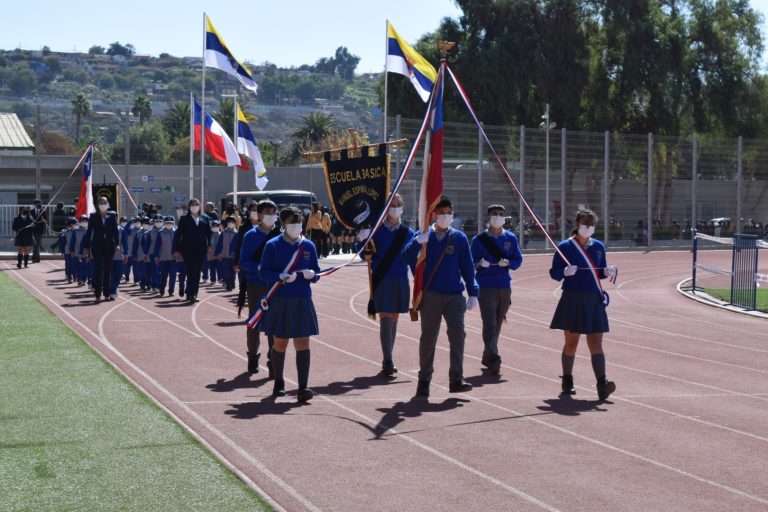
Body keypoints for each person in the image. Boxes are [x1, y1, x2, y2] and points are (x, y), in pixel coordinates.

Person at [403, 196, 478, 397]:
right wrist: (418, 242)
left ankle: (456, 378)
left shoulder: (459, 238)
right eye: (442, 212)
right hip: (431, 296)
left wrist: (473, 292)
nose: (446, 216)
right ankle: (424, 380)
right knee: (428, 338)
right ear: (434, 214)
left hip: (454, 296)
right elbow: (406, 257)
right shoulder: (423, 235)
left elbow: (467, 267)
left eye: (449, 213)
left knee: (458, 336)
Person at [549, 208, 618, 401]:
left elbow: (600, 272)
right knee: (571, 343)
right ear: (577, 224)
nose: (588, 227)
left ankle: (602, 383)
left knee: (596, 343)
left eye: (592, 224)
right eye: (585, 223)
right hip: (573, 298)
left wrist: (608, 271)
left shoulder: (598, 246)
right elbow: (554, 273)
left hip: (594, 299)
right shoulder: (565, 246)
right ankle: (567, 381)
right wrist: (565, 272)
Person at [259, 206, 321, 402]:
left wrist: (313, 275)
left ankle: (303, 387)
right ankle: (279, 382)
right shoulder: (272, 245)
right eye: (292, 223)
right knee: (280, 342)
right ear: (283, 224)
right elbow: (263, 272)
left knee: (303, 342)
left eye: (299, 223)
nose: (296, 226)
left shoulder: (308, 246)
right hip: (281, 299)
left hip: (302, 298)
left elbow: (317, 271)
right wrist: (279, 276)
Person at [355, 193, 414, 376]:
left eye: (398, 204)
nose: (395, 208)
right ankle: (387, 359)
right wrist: (361, 240)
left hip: (400, 279)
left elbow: (413, 259)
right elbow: (364, 255)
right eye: (392, 205)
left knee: (394, 318)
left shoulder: (408, 232)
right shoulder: (376, 229)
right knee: (386, 318)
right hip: (382, 278)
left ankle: (389, 356)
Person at [470, 204, 523, 374]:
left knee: (498, 323)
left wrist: (508, 263)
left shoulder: (511, 238)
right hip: (486, 285)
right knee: (490, 324)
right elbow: (470, 262)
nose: (498, 217)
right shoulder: (478, 240)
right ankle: (494, 357)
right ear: (488, 217)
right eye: (494, 214)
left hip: (504, 285)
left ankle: (488, 356)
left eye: (501, 214)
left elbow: (518, 260)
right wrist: (480, 263)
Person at [239, 199, 282, 376]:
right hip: (256, 284)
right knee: (255, 321)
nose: (272, 216)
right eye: (268, 213)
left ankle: (273, 360)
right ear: (259, 215)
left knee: (274, 324)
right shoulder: (250, 235)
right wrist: (260, 267)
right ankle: (252, 356)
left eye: (274, 213)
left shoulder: (282, 235)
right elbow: (243, 262)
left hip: (275, 285)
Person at [174, 198, 212, 303]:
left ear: (200, 206)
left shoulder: (205, 218)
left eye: (196, 205)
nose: (194, 207)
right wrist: (176, 249)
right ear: (189, 206)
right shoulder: (184, 219)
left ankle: (193, 293)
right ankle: (191, 294)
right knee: (192, 269)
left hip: (201, 249)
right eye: (192, 205)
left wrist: (210, 245)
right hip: (187, 249)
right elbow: (178, 234)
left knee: (197, 271)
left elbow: (209, 234)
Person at [82, 196, 120, 303]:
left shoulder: (112, 216)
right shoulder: (93, 216)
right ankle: (97, 294)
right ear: (98, 204)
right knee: (98, 270)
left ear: (108, 204)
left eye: (104, 202)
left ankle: (107, 294)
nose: (103, 204)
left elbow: (115, 232)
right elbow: (89, 232)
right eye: (101, 202)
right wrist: (86, 247)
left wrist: (117, 244)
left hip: (109, 246)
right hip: (97, 246)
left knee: (107, 270)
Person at [154, 216, 177, 297]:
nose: (169, 224)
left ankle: (171, 291)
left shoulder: (176, 232)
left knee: (173, 276)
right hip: (163, 258)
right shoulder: (160, 233)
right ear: (164, 223)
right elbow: (157, 246)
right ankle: (162, 290)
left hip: (174, 258)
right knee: (163, 276)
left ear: (173, 223)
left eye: (170, 223)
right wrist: (156, 257)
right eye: (167, 223)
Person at [215, 218, 238, 291]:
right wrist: (218, 253)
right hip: (225, 255)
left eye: (232, 222)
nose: (231, 223)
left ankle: (232, 282)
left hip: (234, 256)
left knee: (233, 271)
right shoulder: (223, 233)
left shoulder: (237, 233)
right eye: (229, 222)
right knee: (226, 270)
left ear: (235, 223)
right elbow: (219, 244)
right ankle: (228, 284)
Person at [109, 215, 125, 300]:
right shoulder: (106, 229)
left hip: (119, 256)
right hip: (109, 256)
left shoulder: (121, 230)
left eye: (115, 218)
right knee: (111, 274)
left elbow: (125, 242)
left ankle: (114, 287)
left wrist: (126, 253)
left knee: (119, 274)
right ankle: (112, 291)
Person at [204, 220, 222, 285]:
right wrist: (207, 248)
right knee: (212, 269)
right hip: (210, 255)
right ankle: (213, 280)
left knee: (220, 268)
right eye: (213, 226)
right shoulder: (208, 235)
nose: (215, 227)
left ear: (219, 226)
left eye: (217, 226)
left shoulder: (221, 234)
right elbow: (205, 243)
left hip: (219, 255)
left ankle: (220, 279)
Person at [30, 199, 48, 263]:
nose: (39, 205)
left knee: (37, 244)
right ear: (35, 204)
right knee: (36, 244)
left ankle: (34, 258)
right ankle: (37, 258)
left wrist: (44, 220)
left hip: (40, 230)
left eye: (40, 203)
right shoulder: (31, 211)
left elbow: (46, 220)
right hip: (33, 229)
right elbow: (29, 220)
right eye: (38, 203)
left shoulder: (43, 211)